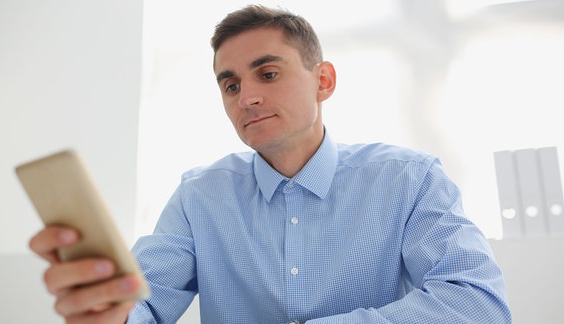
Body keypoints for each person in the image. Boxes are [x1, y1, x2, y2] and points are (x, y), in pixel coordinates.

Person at [29, 5, 512, 324]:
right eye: (231, 84)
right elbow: (147, 302)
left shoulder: (410, 179)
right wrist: (110, 312)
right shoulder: (199, 194)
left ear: (323, 80)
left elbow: (479, 304)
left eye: (268, 72)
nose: (248, 96)